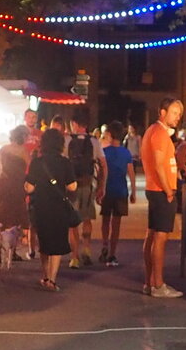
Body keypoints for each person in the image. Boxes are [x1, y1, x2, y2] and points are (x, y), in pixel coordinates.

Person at [140, 99, 185, 298]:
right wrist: (168, 190)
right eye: (174, 112)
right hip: (160, 190)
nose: (178, 117)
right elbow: (159, 165)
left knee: (152, 235)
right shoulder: (158, 133)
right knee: (160, 238)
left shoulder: (156, 132)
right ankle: (158, 284)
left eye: (179, 113)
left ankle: (151, 282)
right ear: (162, 112)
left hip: (156, 189)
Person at [27, 129, 78, 291]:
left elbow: (28, 188)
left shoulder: (37, 162)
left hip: (41, 207)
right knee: (57, 243)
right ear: (60, 144)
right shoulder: (65, 162)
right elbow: (72, 186)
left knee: (44, 242)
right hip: (59, 208)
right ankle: (52, 279)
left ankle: (45, 275)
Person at [0, 126, 32, 267]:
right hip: (15, 187)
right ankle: (11, 252)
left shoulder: (2, 150)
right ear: (23, 137)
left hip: (0, 186)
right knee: (14, 220)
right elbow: (30, 172)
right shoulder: (24, 151)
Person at [99, 122, 136, 268]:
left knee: (105, 220)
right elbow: (131, 173)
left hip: (107, 190)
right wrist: (133, 191)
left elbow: (101, 173)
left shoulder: (104, 152)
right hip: (121, 191)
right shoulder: (125, 153)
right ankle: (112, 254)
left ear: (110, 134)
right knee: (116, 224)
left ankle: (104, 245)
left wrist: (99, 189)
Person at [66, 117, 102, 268]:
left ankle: (74, 257)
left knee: (73, 222)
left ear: (74, 123)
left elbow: (63, 162)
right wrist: (101, 186)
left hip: (72, 185)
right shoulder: (94, 141)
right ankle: (86, 249)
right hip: (88, 184)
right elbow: (103, 165)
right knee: (87, 218)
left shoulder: (67, 140)